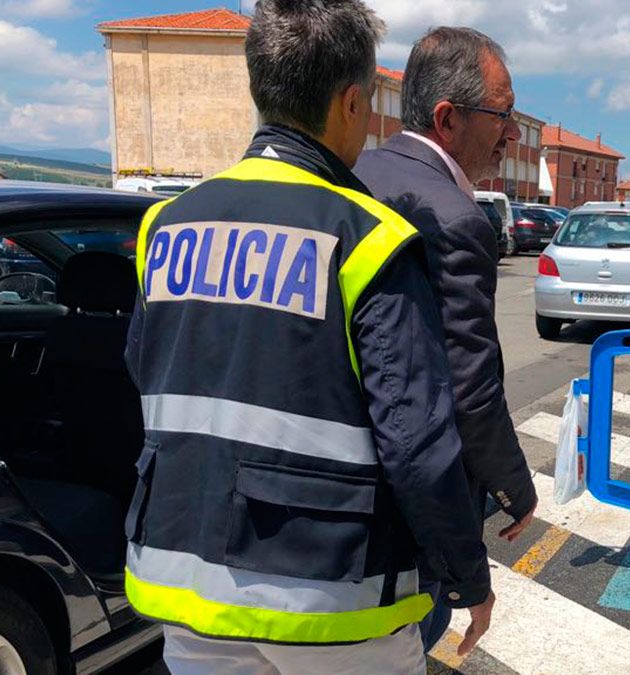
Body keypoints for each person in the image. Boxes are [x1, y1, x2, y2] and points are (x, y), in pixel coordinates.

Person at [122, 1, 493, 672]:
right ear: (351, 103)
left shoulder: (166, 226)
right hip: (333, 598)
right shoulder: (369, 239)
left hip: (187, 585)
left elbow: (148, 382)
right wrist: (468, 573)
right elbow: (418, 442)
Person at [353, 27, 537, 650]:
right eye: (503, 114)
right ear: (447, 118)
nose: (511, 133)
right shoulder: (456, 218)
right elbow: (468, 387)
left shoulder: (351, 176)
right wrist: (517, 486)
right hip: (410, 518)